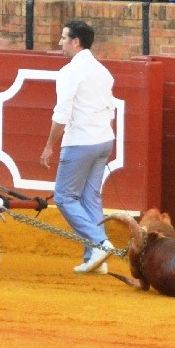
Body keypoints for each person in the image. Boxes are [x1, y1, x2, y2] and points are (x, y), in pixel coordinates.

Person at [41, 19, 117, 275]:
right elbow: (111, 109)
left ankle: (99, 243)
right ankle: (95, 258)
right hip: (104, 139)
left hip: (81, 141)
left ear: (76, 42)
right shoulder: (103, 71)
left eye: (63, 38)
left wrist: (49, 146)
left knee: (64, 197)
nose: (59, 43)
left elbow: (62, 113)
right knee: (89, 198)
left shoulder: (70, 72)